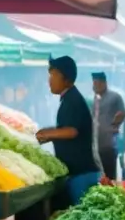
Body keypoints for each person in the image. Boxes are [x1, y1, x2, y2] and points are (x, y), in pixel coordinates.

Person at [37, 56, 100, 203]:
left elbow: (72, 131)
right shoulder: (69, 98)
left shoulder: (73, 100)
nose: (50, 80)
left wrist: (48, 134)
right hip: (81, 173)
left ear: (67, 79)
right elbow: (66, 127)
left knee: (81, 213)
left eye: (54, 75)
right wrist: (48, 133)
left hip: (81, 174)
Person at [92, 72, 125, 180]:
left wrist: (113, 126)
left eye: (97, 84)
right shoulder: (95, 98)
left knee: (109, 173)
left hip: (109, 143)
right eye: (94, 84)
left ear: (104, 83)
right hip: (97, 143)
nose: (95, 86)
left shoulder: (115, 97)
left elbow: (122, 113)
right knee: (99, 174)